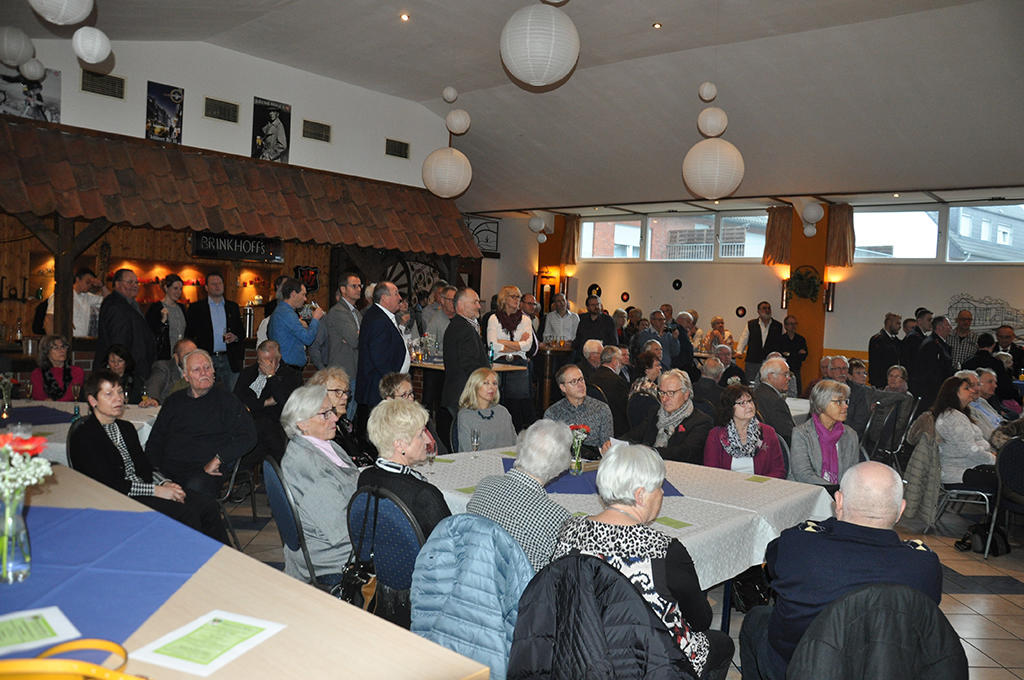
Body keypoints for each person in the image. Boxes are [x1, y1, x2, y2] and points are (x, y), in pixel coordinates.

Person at [739, 462, 941, 680]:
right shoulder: (924, 564)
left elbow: (772, 565)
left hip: (799, 669)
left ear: (839, 501)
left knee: (757, 618)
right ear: (901, 509)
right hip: (882, 670)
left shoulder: (799, 545)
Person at [552, 445, 734, 680]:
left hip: (580, 654)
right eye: (659, 487)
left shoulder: (569, 531)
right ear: (640, 495)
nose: (662, 493)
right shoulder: (664, 550)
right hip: (650, 664)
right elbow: (701, 620)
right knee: (722, 643)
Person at [70, 370, 228, 543]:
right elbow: (110, 485)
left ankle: (226, 560)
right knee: (185, 513)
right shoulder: (85, 435)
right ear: (93, 401)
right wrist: (157, 491)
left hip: (142, 489)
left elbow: (145, 466)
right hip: (116, 500)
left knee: (207, 505)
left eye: (120, 392)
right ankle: (196, 563)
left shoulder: (126, 428)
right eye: (109, 394)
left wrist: (165, 483)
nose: (118, 399)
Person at [145, 349, 257, 497]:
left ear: (213, 372)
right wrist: (154, 472)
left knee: (194, 490)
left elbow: (248, 436)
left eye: (207, 368)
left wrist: (218, 459)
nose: (204, 373)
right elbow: (155, 441)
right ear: (185, 376)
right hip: (170, 469)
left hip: (205, 469)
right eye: (197, 369)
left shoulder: (227, 401)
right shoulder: (174, 401)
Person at [467, 419, 573, 572]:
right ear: (560, 466)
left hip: (474, 579)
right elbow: (562, 574)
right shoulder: (557, 517)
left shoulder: (485, 485)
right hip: (522, 592)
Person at [279, 384, 360, 583]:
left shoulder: (325, 444)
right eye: (325, 414)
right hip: (332, 555)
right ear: (302, 423)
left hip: (341, 534)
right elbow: (340, 528)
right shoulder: (305, 464)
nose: (335, 417)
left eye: (332, 411)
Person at [360, 397, 451, 539]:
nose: (428, 441)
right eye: (421, 434)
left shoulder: (365, 477)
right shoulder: (424, 495)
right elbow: (451, 543)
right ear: (400, 445)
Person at [624, 369, 713, 465]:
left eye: (671, 393)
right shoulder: (655, 412)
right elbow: (635, 435)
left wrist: (649, 452)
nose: (664, 399)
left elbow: (684, 452)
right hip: (648, 468)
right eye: (662, 393)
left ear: (686, 394)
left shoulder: (701, 421)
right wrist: (616, 443)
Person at [234, 340, 301, 464]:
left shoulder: (290, 375)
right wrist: (264, 403)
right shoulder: (248, 373)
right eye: (260, 360)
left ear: (278, 358)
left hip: (275, 422)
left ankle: (244, 471)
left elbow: (285, 402)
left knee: (265, 429)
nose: (263, 364)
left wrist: (271, 376)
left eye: (269, 361)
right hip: (246, 419)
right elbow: (237, 400)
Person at [788, 379, 859, 488]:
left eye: (846, 401)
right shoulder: (802, 434)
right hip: (809, 493)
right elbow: (802, 474)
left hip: (841, 494)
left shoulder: (850, 434)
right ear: (821, 405)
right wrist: (834, 490)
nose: (845, 406)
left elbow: (853, 473)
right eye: (839, 402)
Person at [355, 280, 409, 422]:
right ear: (384, 298)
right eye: (396, 293)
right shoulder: (378, 319)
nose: (400, 298)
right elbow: (379, 359)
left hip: (383, 388)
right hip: (378, 390)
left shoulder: (382, 316)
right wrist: (393, 385)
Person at [704, 384, 786, 478]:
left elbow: (779, 470)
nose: (749, 406)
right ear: (729, 408)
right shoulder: (716, 435)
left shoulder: (768, 433)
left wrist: (757, 484)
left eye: (750, 401)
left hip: (760, 488)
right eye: (742, 403)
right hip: (726, 487)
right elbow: (711, 471)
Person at [932, 374, 996, 490]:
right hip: (958, 472)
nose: (972, 390)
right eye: (966, 388)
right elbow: (971, 451)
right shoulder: (953, 417)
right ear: (953, 393)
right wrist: (995, 459)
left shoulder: (959, 414)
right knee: (1008, 476)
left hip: (967, 466)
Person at [95, 268, 157, 382]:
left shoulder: (129, 304)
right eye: (129, 282)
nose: (135, 285)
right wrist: (122, 371)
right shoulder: (115, 306)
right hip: (125, 373)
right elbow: (118, 342)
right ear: (117, 284)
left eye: (136, 282)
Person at [184, 271, 243, 391]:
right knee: (206, 393)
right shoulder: (196, 308)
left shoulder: (233, 307)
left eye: (220, 283)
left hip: (229, 359)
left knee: (232, 395)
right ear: (206, 287)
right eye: (213, 284)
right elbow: (189, 334)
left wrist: (235, 337)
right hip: (206, 358)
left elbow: (241, 332)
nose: (217, 286)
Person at [487, 285, 535, 429]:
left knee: (517, 404)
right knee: (497, 400)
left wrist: (504, 343)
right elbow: (492, 344)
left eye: (518, 297)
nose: (516, 300)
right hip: (498, 363)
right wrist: (517, 344)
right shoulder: (494, 319)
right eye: (513, 296)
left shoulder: (525, 320)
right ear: (504, 298)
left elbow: (528, 346)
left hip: (518, 364)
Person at [308, 365, 373, 466]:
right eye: (338, 392)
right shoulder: (320, 430)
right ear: (319, 394)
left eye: (346, 392)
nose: (345, 397)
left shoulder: (344, 424)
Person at [544, 364, 613, 457]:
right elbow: (549, 448)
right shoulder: (553, 413)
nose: (580, 385)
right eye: (574, 382)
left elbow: (607, 445)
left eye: (581, 379)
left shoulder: (601, 409)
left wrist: (607, 446)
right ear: (563, 387)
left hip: (594, 464)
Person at [441, 287, 488, 415]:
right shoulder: (464, 329)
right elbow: (470, 365)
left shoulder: (458, 325)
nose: (479, 306)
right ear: (461, 305)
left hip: (459, 393)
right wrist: (484, 385)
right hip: (465, 395)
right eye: (475, 302)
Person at [325, 272, 363, 419]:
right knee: (340, 415)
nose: (359, 289)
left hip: (354, 369)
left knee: (350, 415)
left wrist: (359, 334)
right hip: (343, 371)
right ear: (343, 289)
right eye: (354, 286)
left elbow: (360, 339)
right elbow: (355, 340)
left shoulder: (356, 313)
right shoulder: (338, 312)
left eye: (360, 286)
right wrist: (358, 335)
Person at [267, 277, 325, 371]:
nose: (305, 299)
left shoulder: (281, 311)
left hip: (283, 367)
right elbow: (308, 339)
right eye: (303, 294)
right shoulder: (287, 313)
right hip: (287, 370)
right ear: (293, 294)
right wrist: (315, 319)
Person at [456, 367, 517, 451]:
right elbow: (467, 450)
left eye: (494, 383)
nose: (491, 387)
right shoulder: (465, 415)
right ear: (475, 386)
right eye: (486, 383)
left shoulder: (503, 411)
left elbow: (515, 444)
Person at [43, 267, 103, 337]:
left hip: (82, 340)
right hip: (65, 340)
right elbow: (49, 319)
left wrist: (102, 286)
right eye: (87, 282)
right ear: (77, 279)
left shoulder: (88, 297)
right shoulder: (62, 295)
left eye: (91, 283)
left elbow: (110, 301)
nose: (89, 285)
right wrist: (52, 341)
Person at [910, 314, 953, 408]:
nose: (951, 328)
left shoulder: (938, 342)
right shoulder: (931, 344)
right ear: (939, 327)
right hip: (931, 392)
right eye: (948, 325)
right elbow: (932, 371)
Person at [737, 301, 784, 382]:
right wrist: (739, 351)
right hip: (753, 360)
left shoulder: (778, 326)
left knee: (769, 383)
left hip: (770, 362)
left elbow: (783, 342)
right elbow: (744, 338)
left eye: (769, 308)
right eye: (764, 308)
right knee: (751, 382)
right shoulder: (751, 324)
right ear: (758, 311)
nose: (767, 310)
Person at [145, 273, 187, 361]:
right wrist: (163, 322)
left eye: (180, 289)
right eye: (175, 288)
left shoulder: (182, 307)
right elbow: (150, 333)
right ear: (166, 288)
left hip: (181, 356)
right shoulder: (156, 308)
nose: (178, 292)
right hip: (164, 357)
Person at [754, 357, 795, 446]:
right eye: (785, 374)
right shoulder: (775, 401)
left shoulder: (757, 393)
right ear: (770, 376)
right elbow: (789, 435)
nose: (789, 378)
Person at [590, 346, 630, 437]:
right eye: (619, 361)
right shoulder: (618, 381)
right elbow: (625, 408)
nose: (620, 365)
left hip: (595, 423)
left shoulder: (591, 377)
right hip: (615, 427)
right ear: (615, 361)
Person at [30, 334, 83, 402]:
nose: (61, 350)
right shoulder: (37, 374)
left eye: (63, 347)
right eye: (56, 348)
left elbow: (71, 396)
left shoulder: (77, 371)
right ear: (46, 352)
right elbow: (40, 399)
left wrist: (54, 404)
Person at [145, 337, 196, 405]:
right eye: (187, 355)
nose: (192, 359)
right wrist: (153, 399)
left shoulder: (201, 371)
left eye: (195, 355)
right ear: (176, 357)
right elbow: (154, 387)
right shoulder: (163, 367)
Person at [868, 312, 902, 387]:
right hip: (881, 383)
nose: (900, 327)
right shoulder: (878, 340)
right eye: (897, 323)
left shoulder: (896, 341)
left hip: (893, 383)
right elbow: (875, 364)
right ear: (889, 322)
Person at [777, 315, 807, 394]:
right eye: (791, 324)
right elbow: (780, 356)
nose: (793, 326)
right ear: (785, 326)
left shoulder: (801, 339)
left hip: (796, 370)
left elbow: (803, 356)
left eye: (795, 324)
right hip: (782, 371)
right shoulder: (780, 339)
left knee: (797, 392)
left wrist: (789, 354)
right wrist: (796, 354)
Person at [900, 307, 932, 372]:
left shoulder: (919, 336)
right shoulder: (914, 338)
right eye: (929, 320)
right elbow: (916, 363)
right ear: (920, 321)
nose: (931, 323)